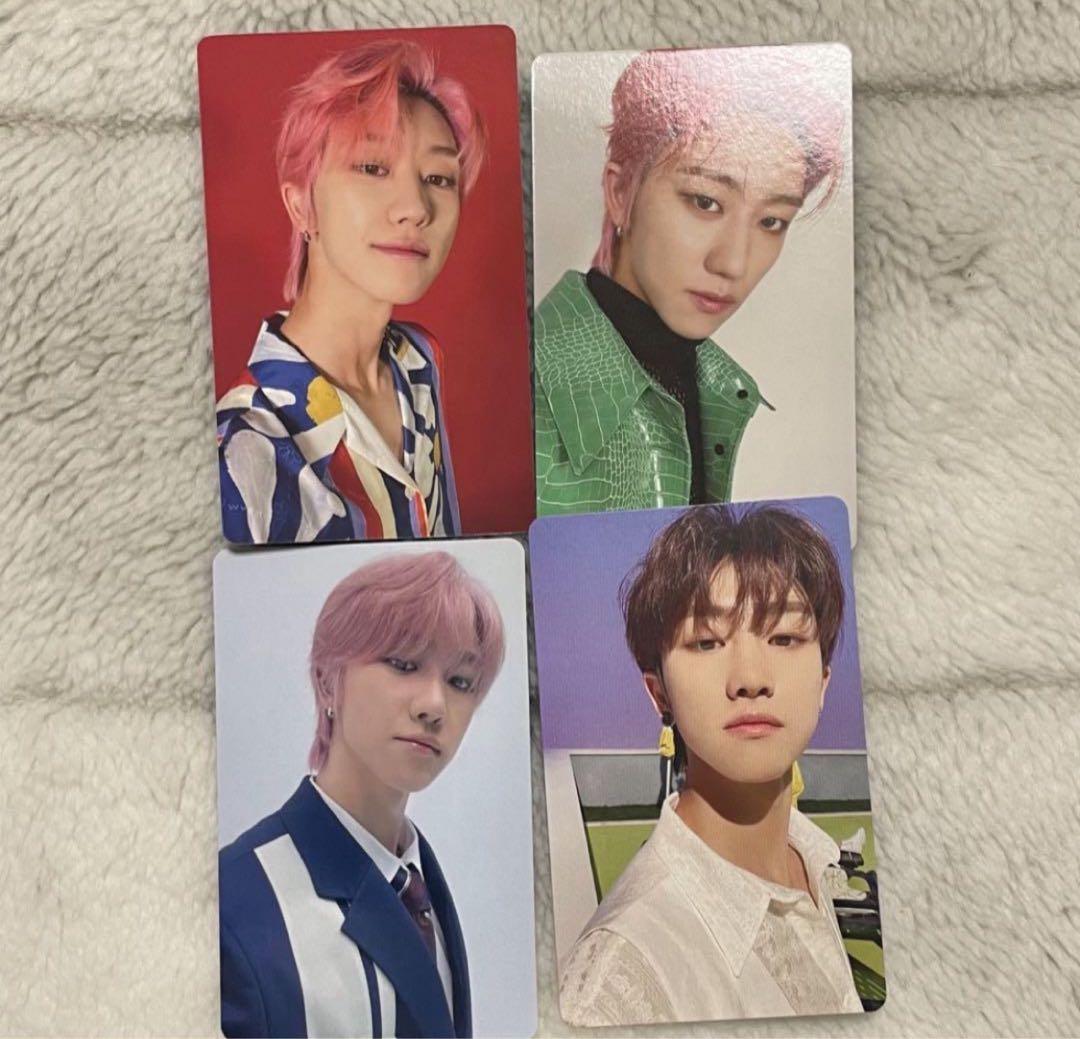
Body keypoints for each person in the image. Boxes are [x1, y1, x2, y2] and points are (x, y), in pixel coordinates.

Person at [559, 505, 864, 1025]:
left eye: (784, 638)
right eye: (707, 641)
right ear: (659, 694)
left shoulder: (819, 862)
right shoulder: (618, 980)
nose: (750, 679)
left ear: (824, 681)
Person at [534, 47, 844, 516]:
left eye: (772, 221)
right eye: (705, 202)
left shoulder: (715, 390)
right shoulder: (522, 391)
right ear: (620, 192)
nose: (733, 263)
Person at [218, 552, 506, 1038]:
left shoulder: (422, 888)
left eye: (461, 681)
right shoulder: (233, 906)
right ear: (328, 681)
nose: (435, 706)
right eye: (404, 663)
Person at [216, 40, 486, 543]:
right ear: (302, 207)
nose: (416, 207)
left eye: (438, 178)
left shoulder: (419, 361)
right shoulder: (248, 443)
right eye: (372, 168)